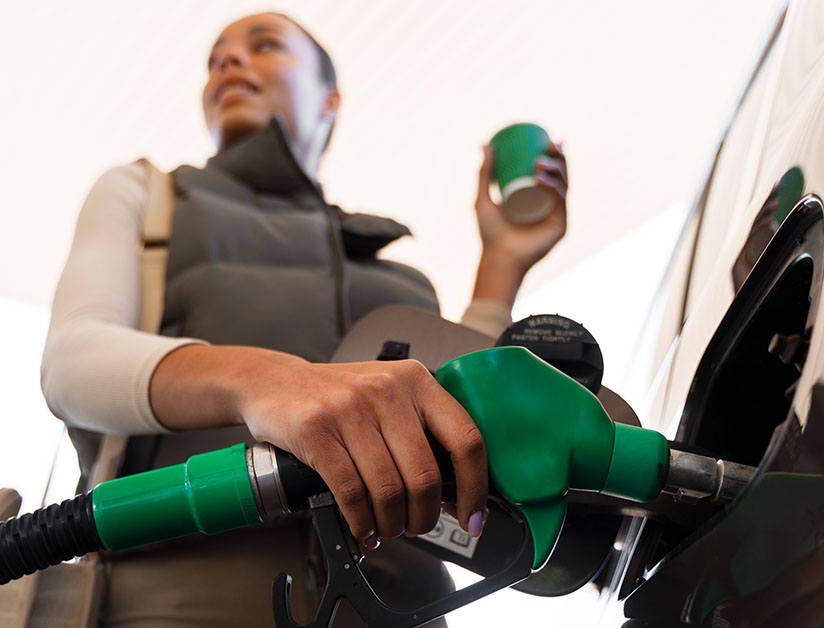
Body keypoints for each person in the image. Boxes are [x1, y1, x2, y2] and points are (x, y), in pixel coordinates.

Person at [40, 12, 568, 627]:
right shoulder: (148, 195)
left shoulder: (399, 277)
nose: (227, 66)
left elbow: (455, 421)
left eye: (263, 47)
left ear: (330, 99)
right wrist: (265, 380)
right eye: (215, 59)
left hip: (401, 602)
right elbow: (72, 362)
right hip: (180, 592)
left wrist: (502, 263)